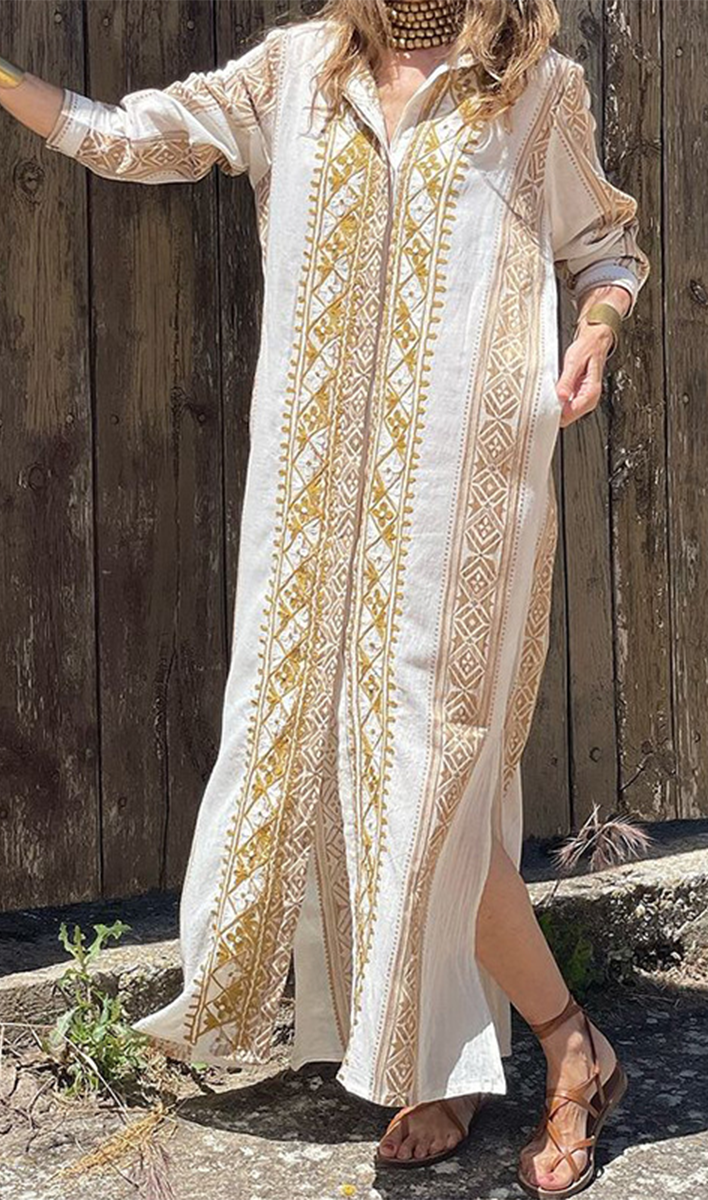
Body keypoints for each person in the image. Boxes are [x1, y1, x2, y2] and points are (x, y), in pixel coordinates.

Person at [0, 1, 650, 1195]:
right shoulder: (297, 70)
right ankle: (441, 1061)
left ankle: (569, 1044)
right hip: (309, 509)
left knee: (430, 778)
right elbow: (133, 136)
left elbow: (603, 247)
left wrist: (595, 334)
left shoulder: (535, 87)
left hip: (462, 494)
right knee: (344, 770)